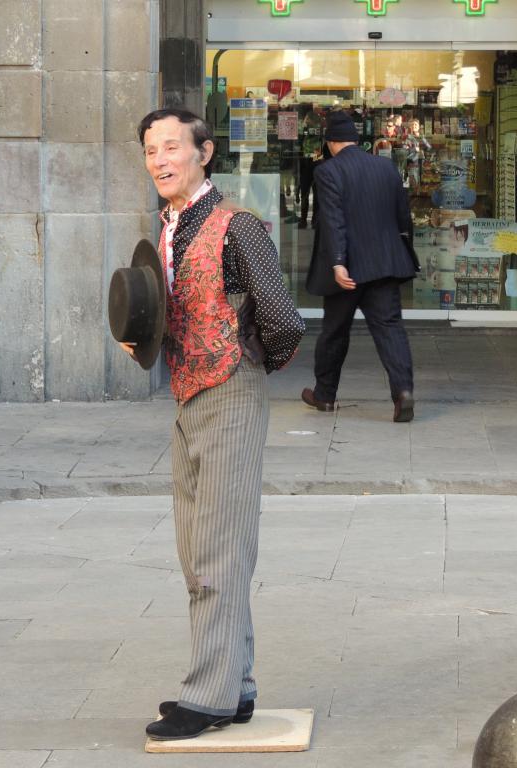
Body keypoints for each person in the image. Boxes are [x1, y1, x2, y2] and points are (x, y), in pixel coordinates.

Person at [123, 108, 305, 741]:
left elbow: (283, 319)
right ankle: (238, 684)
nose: (159, 160)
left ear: (204, 152)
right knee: (197, 543)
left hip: (228, 389)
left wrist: (246, 363)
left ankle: (210, 696)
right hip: (187, 394)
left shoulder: (239, 226)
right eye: (150, 151)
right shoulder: (168, 227)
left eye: (171, 147)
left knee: (218, 547)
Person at [301, 109, 419, 422]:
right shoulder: (386, 168)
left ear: (330, 143)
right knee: (390, 329)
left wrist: (338, 262)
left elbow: (333, 220)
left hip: (349, 271)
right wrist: (403, 250)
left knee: (334, 332)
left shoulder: (327, 172)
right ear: (356, 140)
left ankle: (324, 396)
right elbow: (403, 217)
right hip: (384, 263)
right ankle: (403, 392)